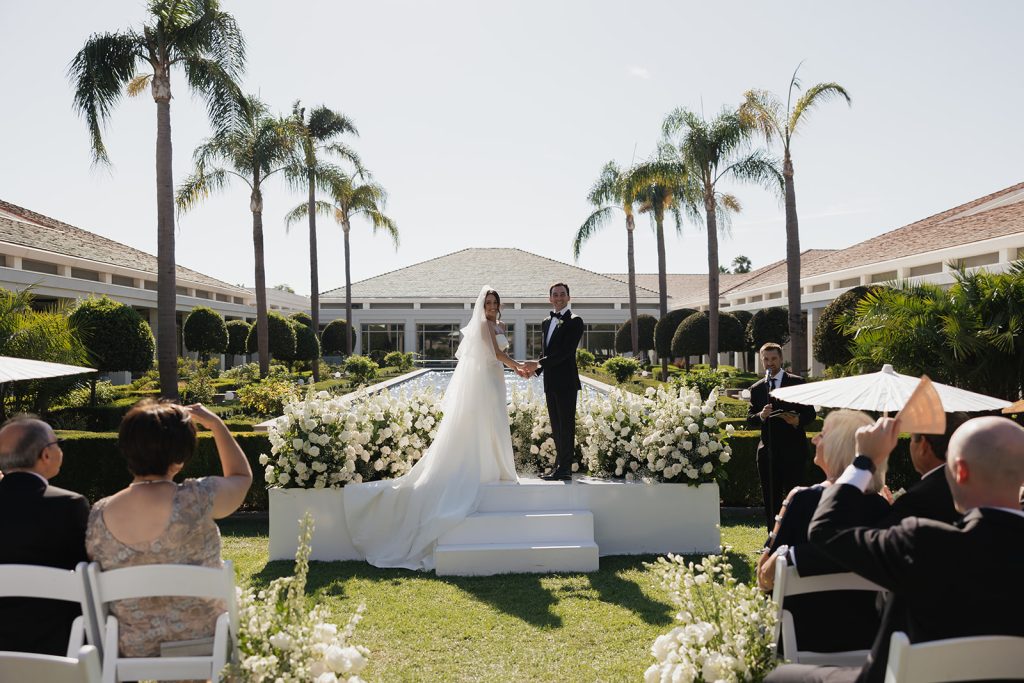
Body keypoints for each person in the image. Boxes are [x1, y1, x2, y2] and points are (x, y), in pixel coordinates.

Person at [766, 416, 1024, 683]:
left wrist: (864, 460)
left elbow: (826, 531)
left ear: (960, 472)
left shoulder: (923, 542)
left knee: (781, 677)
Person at [344, 286, 522, 570]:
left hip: (496, 379)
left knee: (496, 420)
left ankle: (498, 465)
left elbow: (499, 355)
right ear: (482, 305)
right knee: (484, 421)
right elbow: (498, 355)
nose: (490, 305)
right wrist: (520, 366)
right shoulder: (483, 325)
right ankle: (483, 466)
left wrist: (513, 367)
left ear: (499, 304)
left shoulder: (500, 324)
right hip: (488, 378)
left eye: (494, 302)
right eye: (487, 302)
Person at [85, 400, 252, 658]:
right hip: (208, 639)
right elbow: (241, 477)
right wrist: (216, 425)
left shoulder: (99, 513)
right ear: (181, 455)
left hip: (134, 647)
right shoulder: (198, 498)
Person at [757, 410, 890, 657]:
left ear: (838, 447)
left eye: (822, 434)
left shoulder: (802, 499)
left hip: (799, 639)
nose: (814, 439)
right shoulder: (883, 508)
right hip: (866, 640)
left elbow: (764, 580)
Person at [0, 416, 90, 656]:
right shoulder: (68, 504)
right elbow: (86, 569)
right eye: (57, 443)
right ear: (46, 455)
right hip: (60, 644)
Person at [747, 342, 817, 529]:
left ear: (781, 359)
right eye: (766, 359)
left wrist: (796, 421)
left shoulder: (797, 382)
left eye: (774, 359)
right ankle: (772, 539)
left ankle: (796, 537)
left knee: (795, 497)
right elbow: (750, 419)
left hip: (794, 451)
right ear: (762, 360)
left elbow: (811, 414)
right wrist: (761, 415)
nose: (770, 363)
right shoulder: (757, 388)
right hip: (768, 453)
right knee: (771, 498)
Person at [522, 282, 585, 481]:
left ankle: (565, 469)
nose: (558, 297)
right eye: (555, 294)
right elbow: (547, 353)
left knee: (566, 425)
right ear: (550, 298)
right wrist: (534, 370)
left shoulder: (575, 321)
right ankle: (559, 466)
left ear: (568, 297)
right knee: (556, 426)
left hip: (566, 382)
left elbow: (566, 353)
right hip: (550, 382)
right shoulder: (546, 322)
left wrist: (537, 363)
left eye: (562, 294)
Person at [879, 412, 967, 526]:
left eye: (911, 438)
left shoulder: (915, 501)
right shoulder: (975, 485)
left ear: (923, 446)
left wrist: (886, 510)